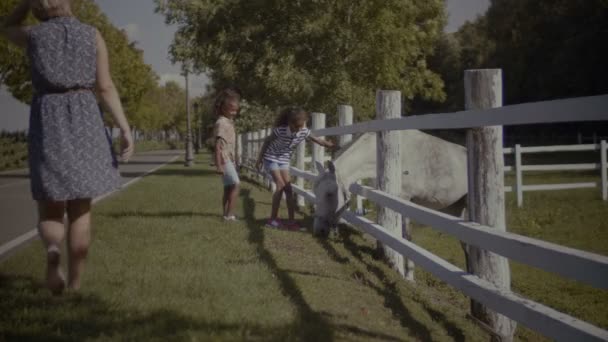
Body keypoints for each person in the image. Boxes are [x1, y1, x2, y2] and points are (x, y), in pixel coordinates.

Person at [1, 0, 134, 294]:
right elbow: (105, 87)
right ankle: (74, 285)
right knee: (80, 209)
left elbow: (7, 26)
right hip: (85, 119)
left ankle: (52, 247)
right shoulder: (91, 34)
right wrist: (124, 128)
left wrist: (24, 4)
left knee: (50, 208)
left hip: (48, 120)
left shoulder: (33, 35)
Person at [256, 107, 333, 230]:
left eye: (300, 126)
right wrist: (259, 159)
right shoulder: (280, 131)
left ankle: (291, 222)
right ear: (289, 123)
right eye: (295, 127)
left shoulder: (303, 131)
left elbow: (317, 140)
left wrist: (329, 145)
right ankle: (272, 220)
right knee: (280, 185)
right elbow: (266, 141)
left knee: (288, 189)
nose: (298, 130)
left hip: (284, 160)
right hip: (271, 157)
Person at [213, 89, 241, 221]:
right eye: (232, 110)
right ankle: (230, 215)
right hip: (224, 159)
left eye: (236, 110)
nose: (234, 113)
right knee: (235, 184)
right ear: (224, 108)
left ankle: (225, 214)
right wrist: (218, 165)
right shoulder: (221, 123)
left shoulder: (228, 122)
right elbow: (218, 145)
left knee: (228, 187)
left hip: (228, 158)